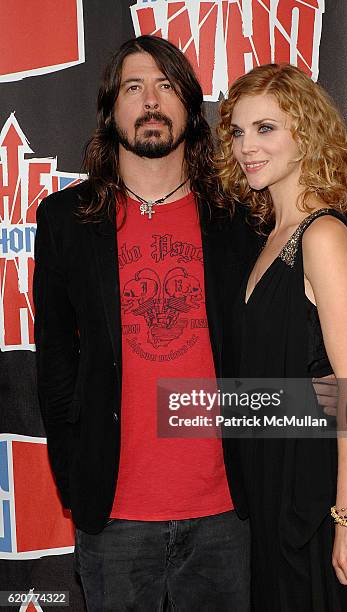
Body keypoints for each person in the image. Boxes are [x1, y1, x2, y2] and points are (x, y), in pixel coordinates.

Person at [33, 35, 252, 611]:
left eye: (166, 86)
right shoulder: (65, 220)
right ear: (111, 110)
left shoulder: (238, 218)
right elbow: (55, 359)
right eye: (134, 87)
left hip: (226, 511)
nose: (151, 101)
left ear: (190, 107)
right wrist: (75, 476)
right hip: (115, 516)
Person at [215, 63, 347, 611]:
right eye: (239, 131)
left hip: (315, 494)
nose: (248, 146)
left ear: (307, 133)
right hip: (269, 484)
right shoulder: (268, 238)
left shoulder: (324, 235)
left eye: (266, 128)